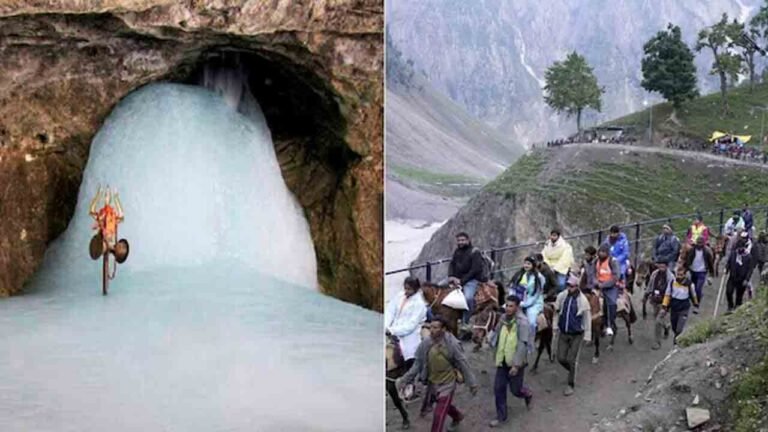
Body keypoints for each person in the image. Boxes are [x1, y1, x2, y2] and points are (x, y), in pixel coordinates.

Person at [398, 316, 478, 432]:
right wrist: (404, 380)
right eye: (431, 327)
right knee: (442, 405)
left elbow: (463, 363)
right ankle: (457, 416)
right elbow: (417, 364)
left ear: (443, 329)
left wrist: (472, 383)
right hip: (432, 383)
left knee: (438, 415)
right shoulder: (425, 343)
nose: (432, 330)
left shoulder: (452, 344)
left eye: (435, 328)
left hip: (448, 383)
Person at [488, 296, 533, 428]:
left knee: (515, 390)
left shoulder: (523, 323)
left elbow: (522, 344)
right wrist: (489, 340)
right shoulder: (503, 319)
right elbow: (496, 332)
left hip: (515, 362)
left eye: (511, 306)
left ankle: (527, 394)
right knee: (498, 388)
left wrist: (516, 365)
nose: (508, 308)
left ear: (517, 307)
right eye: (506, 305)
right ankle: (501, 416)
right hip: (502, 360)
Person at [553, 273, 592, 396]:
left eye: (572, 286)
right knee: (560, 358)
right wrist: (555, 326)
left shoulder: (582, 300)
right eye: (568, 286)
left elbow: (587, 318)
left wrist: (587, 335)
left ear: (577, 287)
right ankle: (571, 370)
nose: (569, 288)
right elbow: (557, 311)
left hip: (576, 334)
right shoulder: (562, 296)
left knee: (572, 359)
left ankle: (570, 384)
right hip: (564, 332)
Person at [385, 276, 428, 374]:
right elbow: (390, 311)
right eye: (405, 288)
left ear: (416, 289)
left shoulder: (419, 304)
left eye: (409, 289)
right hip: (392, 329)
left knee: (409, 355)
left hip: (409, 334)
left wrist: (393, 331)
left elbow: (411, 325)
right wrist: (386, 326)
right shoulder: (399, 296)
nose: (406, 291)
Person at [448, 232, 488, 324]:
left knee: (468, 298)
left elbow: (475, 270)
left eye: (463, 240)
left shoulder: (475, 252)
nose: (460, 242)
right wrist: (450, 276)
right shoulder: (457, 251)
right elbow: (452, 264)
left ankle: (466, 321)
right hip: (457, 279)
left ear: (468, 240)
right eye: (459, 240)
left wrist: (461, 281)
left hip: (471, 280)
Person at [507, 256, 545, 349]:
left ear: (533, 265)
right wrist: (513, 299)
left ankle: (530, 343)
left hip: (533, 302)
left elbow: (536, 294)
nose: (526, 265)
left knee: (531, 321)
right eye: (525, 263)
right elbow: (512, 288)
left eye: (529, 264)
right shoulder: (519, 274)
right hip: (517, 300)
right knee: (503, 311)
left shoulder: (539, 277)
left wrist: (524, 304)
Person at [660, 267, 698, 346]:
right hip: (674, 308)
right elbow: (667, 294)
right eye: (678, 275)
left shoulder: (689, 284)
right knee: (674, 326)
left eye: (681, 275)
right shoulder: (672, 283)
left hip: (684, 308)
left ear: (684, 275)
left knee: (679, 329)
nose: (679, 277)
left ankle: (676, 343)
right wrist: (664, 306)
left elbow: (693, 295)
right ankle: (676, 336)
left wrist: (696, 305)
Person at [646, 261, 674, 350]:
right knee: (657, 318)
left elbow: (671, 291)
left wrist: (668, 304)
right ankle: (666, 326)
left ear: (666, 266)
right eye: (660, 266)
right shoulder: (655, 274)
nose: (661, 268)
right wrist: (647, 294)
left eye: (663, 266)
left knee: (658, 322)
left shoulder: (670, 277)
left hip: (664, 302)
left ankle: (657, 342)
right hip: (655, 300)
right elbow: (650, 284)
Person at [595, 244, 621, 336]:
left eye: (603, 252)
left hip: (610, 287)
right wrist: (595, 282)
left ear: (607, 253)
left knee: (611, 304)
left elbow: (616, 277)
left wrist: (604, 285)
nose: (601, 254)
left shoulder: (613, 261)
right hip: (597, 285)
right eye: (600, 252)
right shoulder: (596, 261)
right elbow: (593, 272)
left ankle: (609, 324)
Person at [89, 185, 125, 250]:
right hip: (105, 237)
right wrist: (98, 195)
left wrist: (116, 198)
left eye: (108, 195)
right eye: (106, 195)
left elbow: (121, 217)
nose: (106, 197)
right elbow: (92, 211)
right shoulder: (102, 215)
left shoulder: (107, 216)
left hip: (106, 236)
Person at [684, 236, 714, 311]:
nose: (699, 245)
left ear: (703, 244)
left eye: (701, 243)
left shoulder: (706, 252)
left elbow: (710, 263)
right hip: (693, 271)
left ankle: (697, 305)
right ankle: (697, 297)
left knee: (698, 288)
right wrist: (686, 270)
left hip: (702, 272)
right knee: (693, 288)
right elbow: (688, 260)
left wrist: (711, 275)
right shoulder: (692, 250)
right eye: (698, 243)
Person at [725, 240, 754, 312]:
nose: (740, 249)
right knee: (728, 291)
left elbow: (750, 270)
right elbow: (729, 263)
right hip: (732, 277)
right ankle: (730, 306)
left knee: (739, 296)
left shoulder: (748, 256)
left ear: (744, 247)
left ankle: (737, 308)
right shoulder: (733, 254)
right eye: (738, 248)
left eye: (741, 247)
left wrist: (746, 279)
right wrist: (726, 269)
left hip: (742, 279)